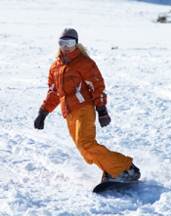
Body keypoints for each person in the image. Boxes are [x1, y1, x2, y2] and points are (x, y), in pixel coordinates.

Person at [34, 28, 140, 183]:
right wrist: (43, 112)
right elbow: (54, 92)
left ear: (76, 43)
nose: (66, 46)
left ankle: (127, 168)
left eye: (70, 42)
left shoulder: (84, 63)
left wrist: (102, 110)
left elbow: (97, 86)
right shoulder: (55, 67)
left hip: (84, 108)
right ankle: (111, 170)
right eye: (62, 43)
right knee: (84, 150)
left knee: (87, 143)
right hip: (69, 113)